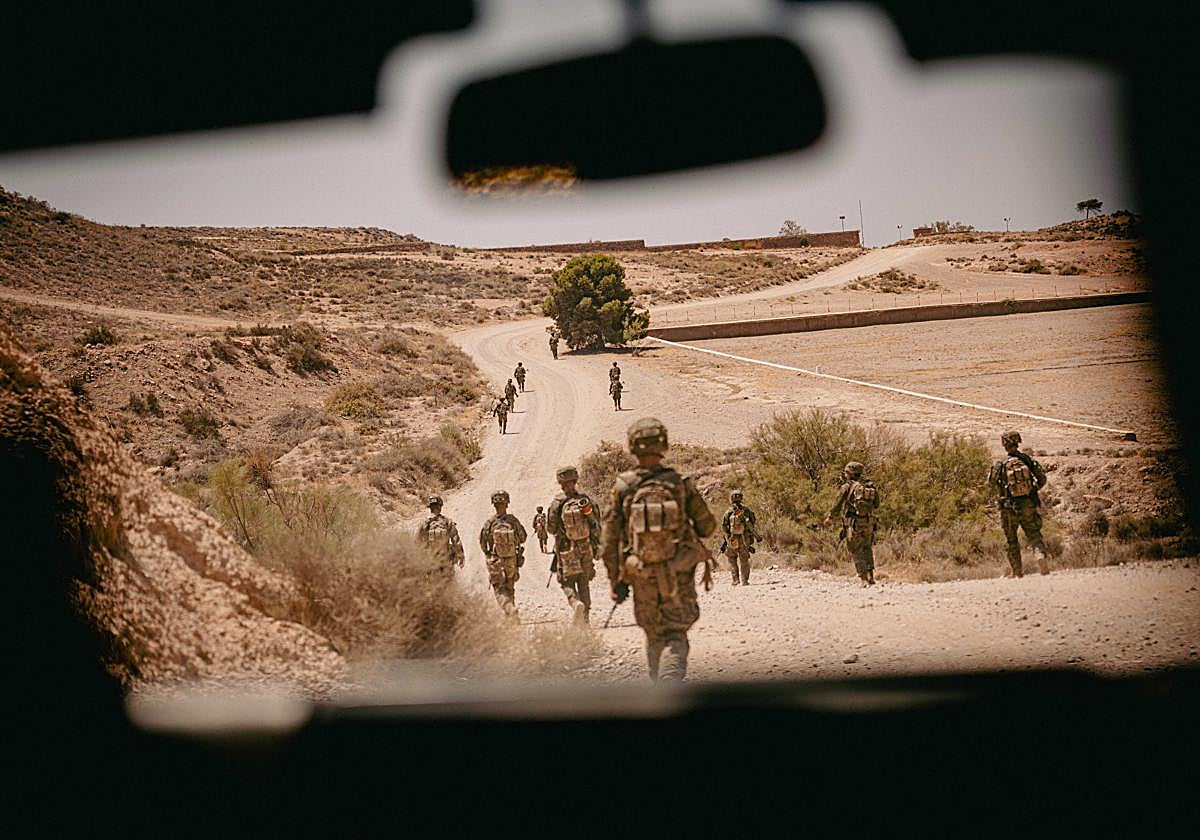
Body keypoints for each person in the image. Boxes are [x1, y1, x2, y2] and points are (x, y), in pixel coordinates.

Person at [601, 417, 716, 682]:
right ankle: (669, 687)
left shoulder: (624, 487)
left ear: (633, 446)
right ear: (663, 444)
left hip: (641, 574)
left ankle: (660, 693)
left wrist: (615, 579)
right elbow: (707, 527)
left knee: (654, 634)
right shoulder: (678, 483)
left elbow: (609, 542)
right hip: (678, 572)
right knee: (675, 634)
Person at [988, 430, 1050, 577]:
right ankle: (1040, 557)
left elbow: (991, 483)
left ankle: (1017, 572)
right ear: (1017, 442)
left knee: (1011, 540)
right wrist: (1032, 491)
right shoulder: (1027, 460)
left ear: (1004, 444)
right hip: (1028, 504)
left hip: (1008, 507)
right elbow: (1042, 479)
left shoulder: (1000, 463)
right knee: (1034, 534)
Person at [547, 465, 602, 625]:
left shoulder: (557, 503)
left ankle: (575, 602)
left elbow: (551, 529)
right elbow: (596, 525)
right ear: (575, 480)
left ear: (560, 482)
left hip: (566, 549)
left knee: (566, 581)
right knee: (583, 581)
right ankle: (586, 621)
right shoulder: (586, 501)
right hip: (585, 547)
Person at [824, 461, 880, 586]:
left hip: (853, 524)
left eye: (846, 472)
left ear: (850, 473)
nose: (845, 474)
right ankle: (871, 577)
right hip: (869, 523)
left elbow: (837, 504)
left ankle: (863, 579)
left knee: (856, 549)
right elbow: (877, 504)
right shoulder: (869, 486)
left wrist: (830, 517)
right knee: (867, 548)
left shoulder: (847, 487)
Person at [479, 490, 527, 619]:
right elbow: (523, 538)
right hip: (511, 560)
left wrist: (489, 555)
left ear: (493, 504)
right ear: (507, 503)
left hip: (495, 560)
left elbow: (483, 543)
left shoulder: (489, 523)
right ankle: (511, 615)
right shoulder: (513, 521)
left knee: (499, 588)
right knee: (510, 586)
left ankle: (510, 609)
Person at [721, 489, 758, 586]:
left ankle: (735, 580)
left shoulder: (728, 512)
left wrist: (727, 538)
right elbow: (753, 522)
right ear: (741, 498)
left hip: (732, 539)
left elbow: (724, 526)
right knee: (744, 560)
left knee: (732, 559)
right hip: (744, 539)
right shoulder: (747, 510)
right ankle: (745, 581)